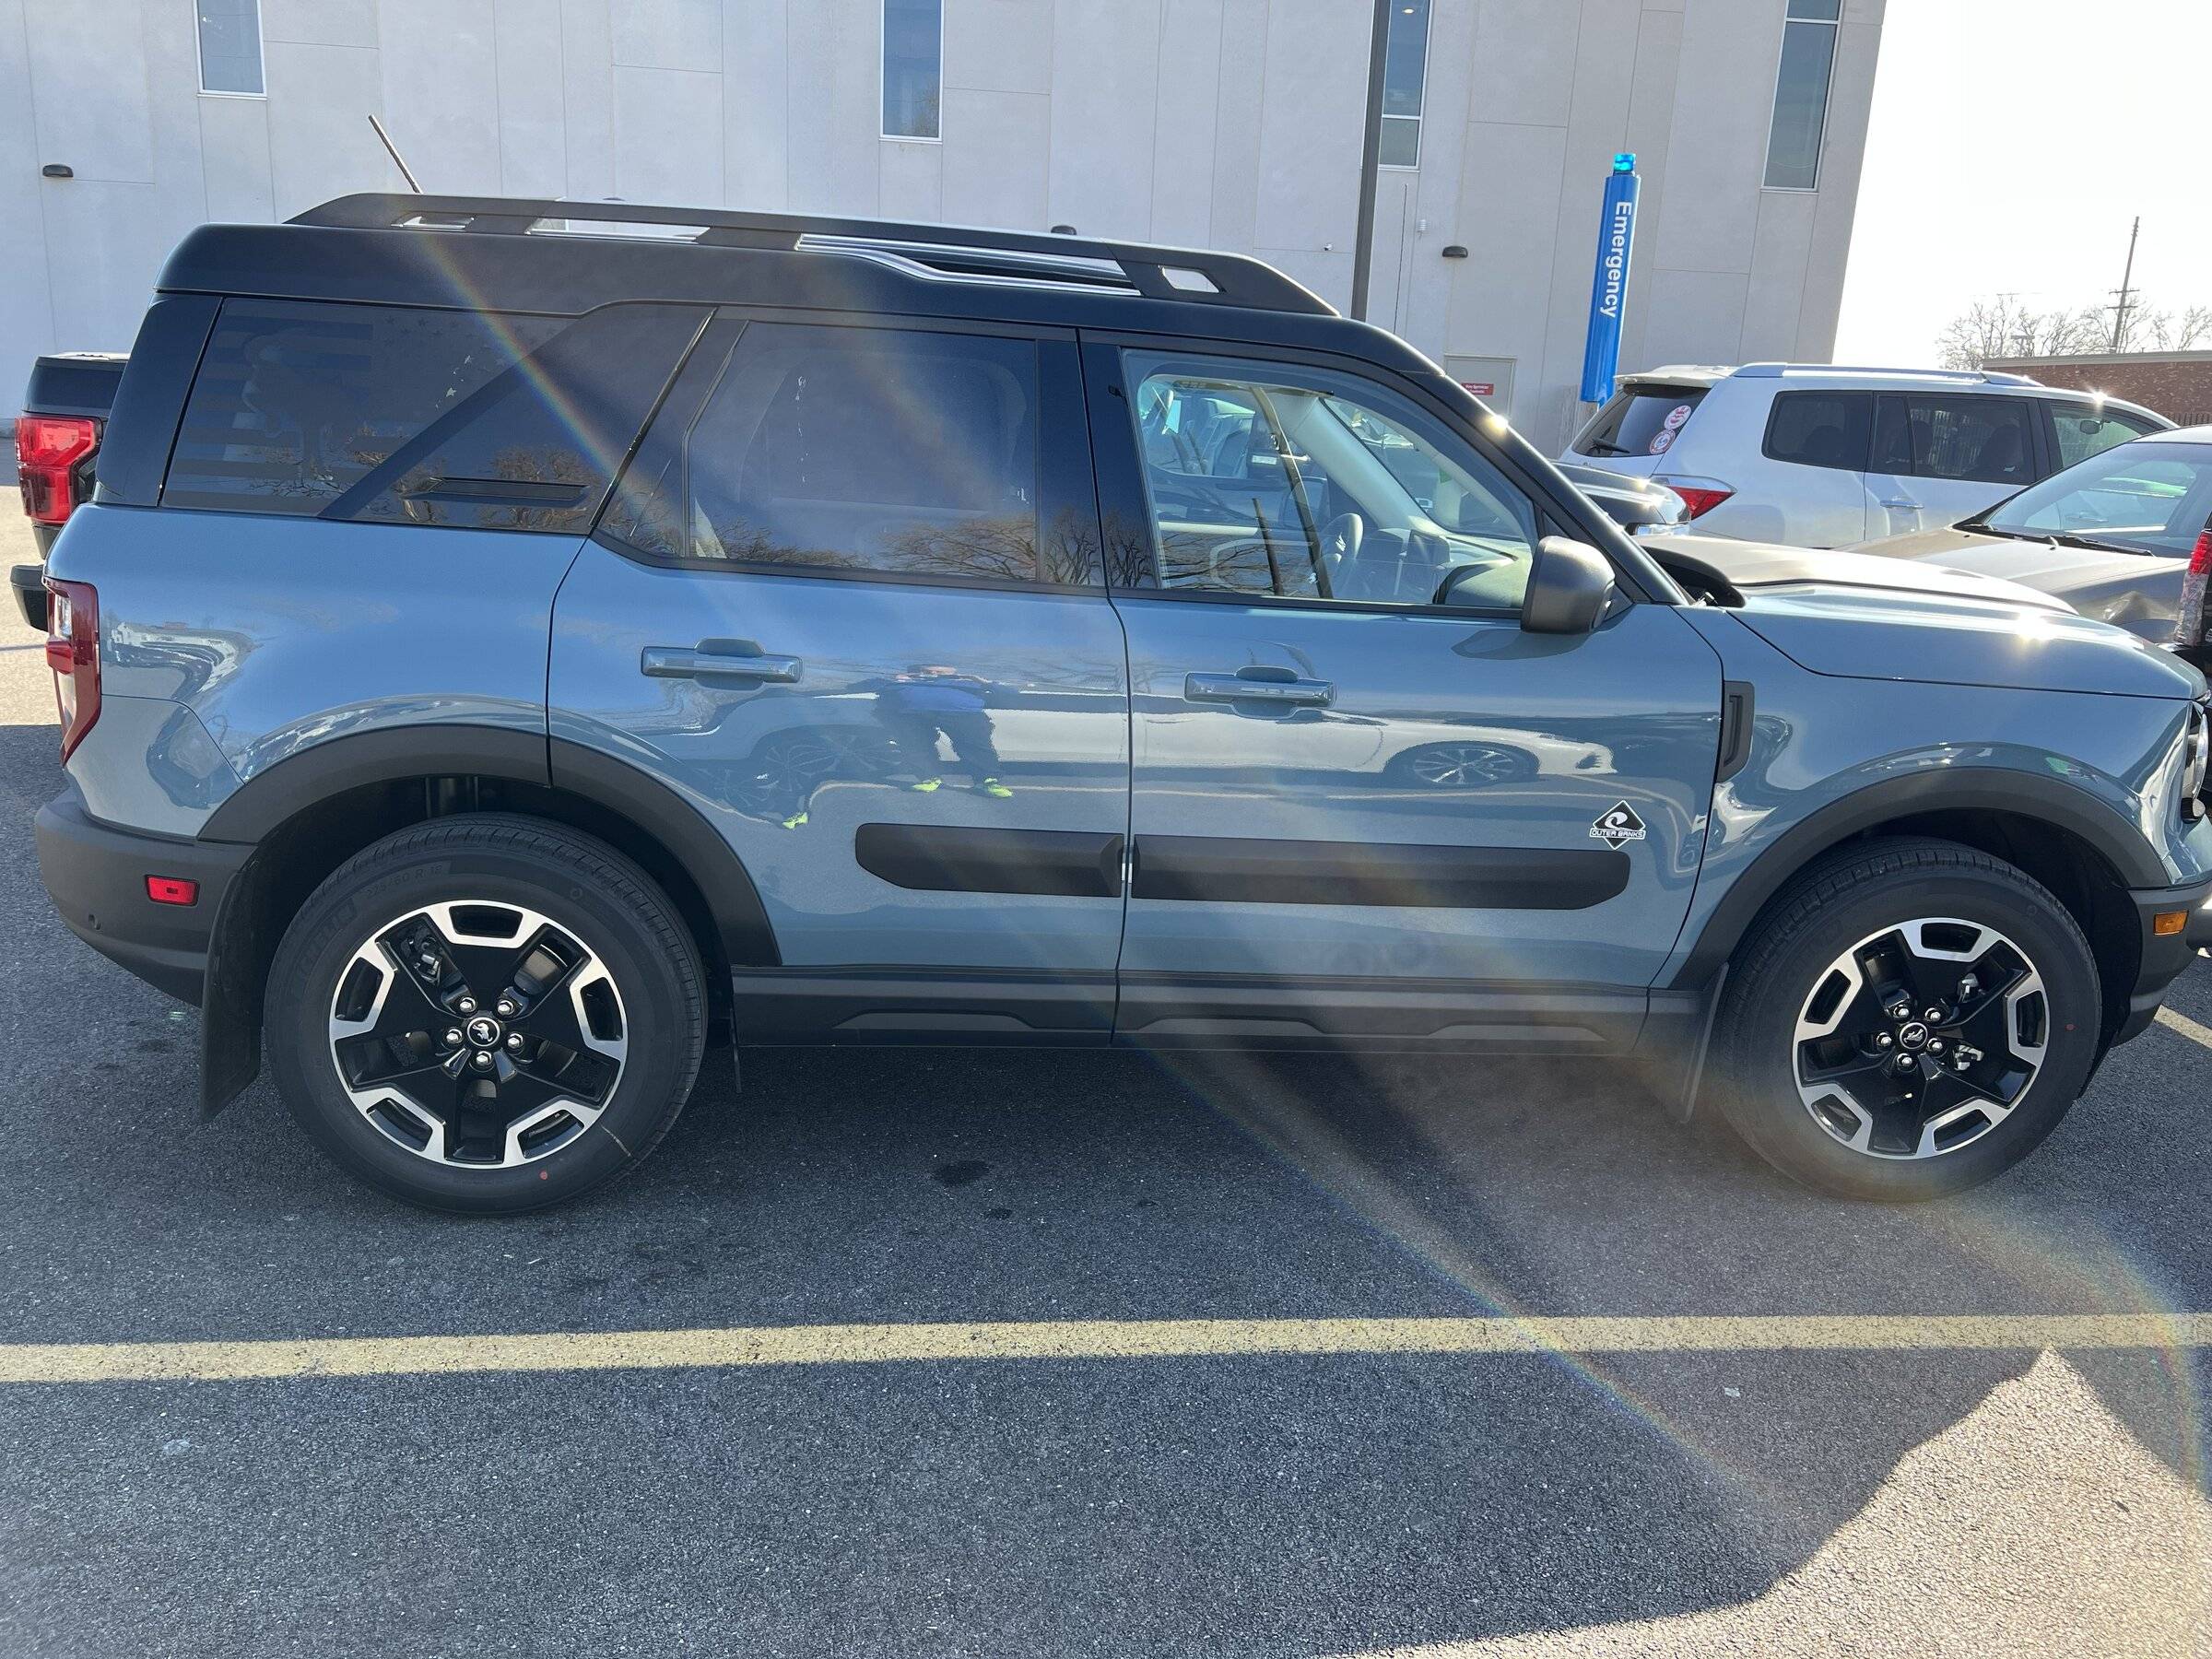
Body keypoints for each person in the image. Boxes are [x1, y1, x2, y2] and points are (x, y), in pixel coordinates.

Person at [865, 665, 1013, 798]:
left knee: (976, 746)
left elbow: (1010, 693)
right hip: (910, 713)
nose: (934, 673)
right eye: (927, 671)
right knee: (915, 745)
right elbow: (864, 685)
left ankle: (987, 781)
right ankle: (928, 778)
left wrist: (983, 681)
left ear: (953, 670)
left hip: (964, 713)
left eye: (940, 671)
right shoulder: (904, 681)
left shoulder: (967, 681)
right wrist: (893, 679)